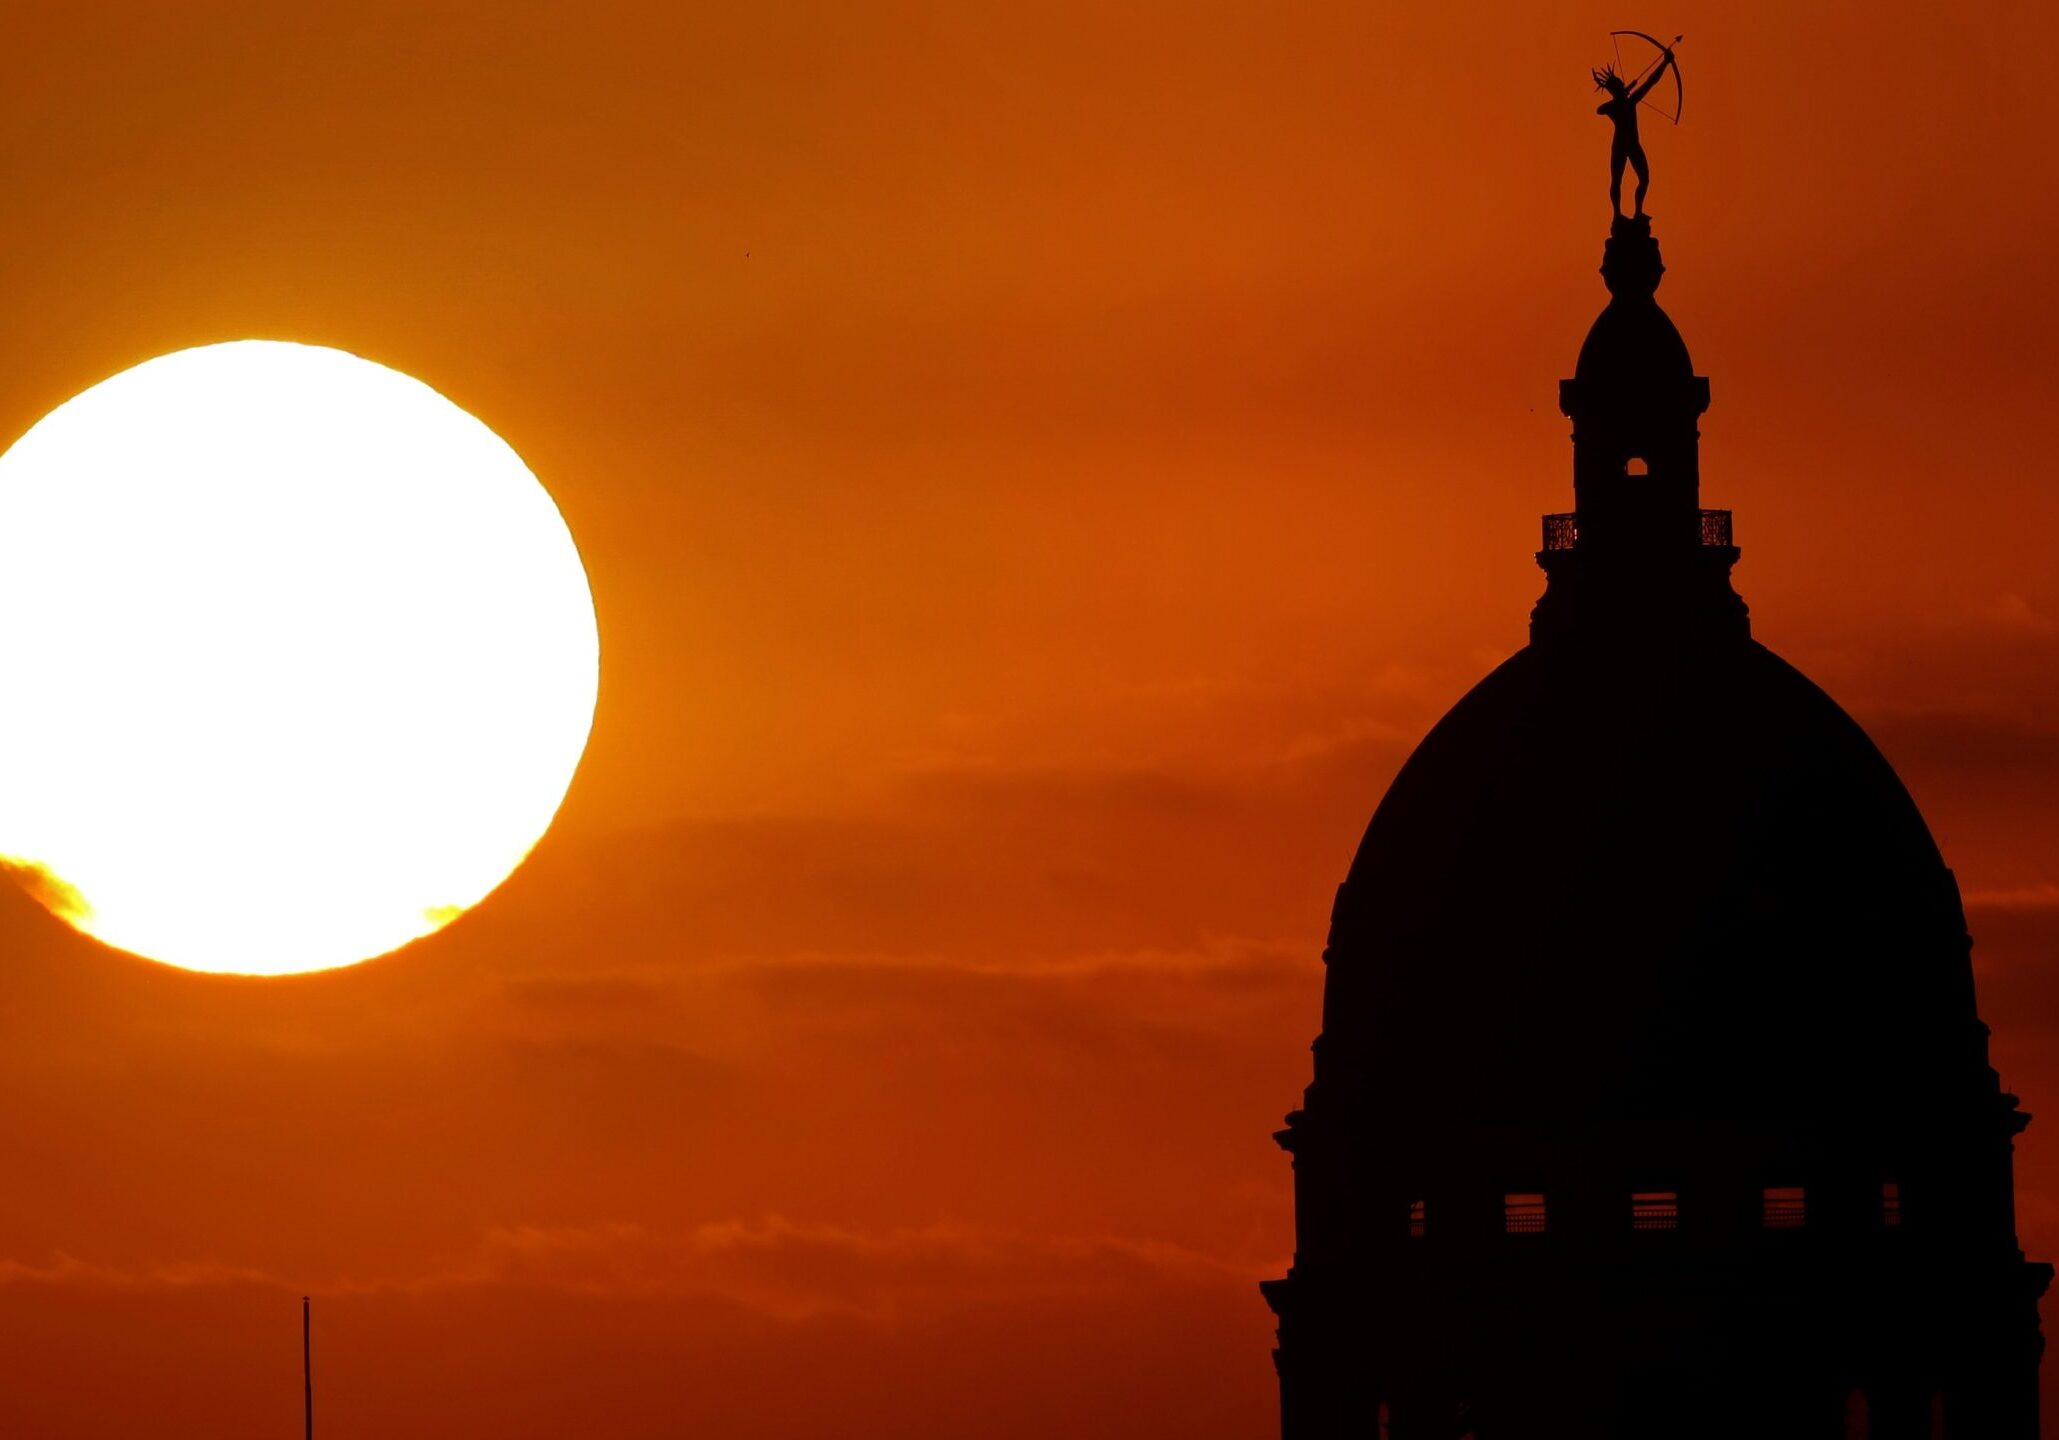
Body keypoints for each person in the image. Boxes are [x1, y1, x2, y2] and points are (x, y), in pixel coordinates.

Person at [1592, 46, 1674, 219]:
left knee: (1644, 178)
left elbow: (1651, 81)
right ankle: (1617, 215)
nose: (1623, 85)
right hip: (1621, 145)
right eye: (1621, 85)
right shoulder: (1621, 104)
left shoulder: (1627, 102)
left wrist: (1665, 62)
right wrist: (1621, 97)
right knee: (1617, 180)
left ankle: (1638, 212)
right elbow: (1599, 109)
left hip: (1632, 144)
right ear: (1617, 89)